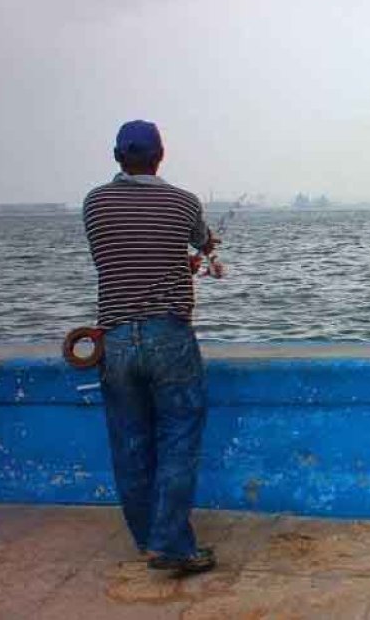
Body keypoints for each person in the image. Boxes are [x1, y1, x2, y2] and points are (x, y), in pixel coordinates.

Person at [82, 120, 223, 575]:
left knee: (130, 443)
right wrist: (199, 252)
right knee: (179, 439)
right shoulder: (183, 202)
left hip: (117, 339)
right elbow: (201, 242)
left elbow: (122, 256)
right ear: (160, 155)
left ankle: (149, 539)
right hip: (169, 336)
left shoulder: (95, 203)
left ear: (118, 156)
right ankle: (171, 545)